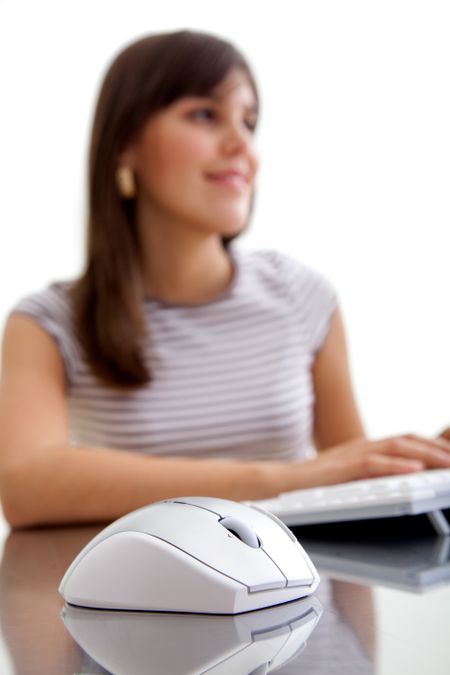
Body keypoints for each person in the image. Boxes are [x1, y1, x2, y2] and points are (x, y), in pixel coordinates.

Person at [0, 30, 449, 529]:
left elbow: (349, 481)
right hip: (139, 601)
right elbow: (25, 483)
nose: (242, 146)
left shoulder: (304, 297)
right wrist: (282, 479)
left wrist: (420, 465)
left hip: (296, 596)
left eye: (250, 122)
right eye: (205, 115)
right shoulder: (47, 322)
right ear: (125, 144)